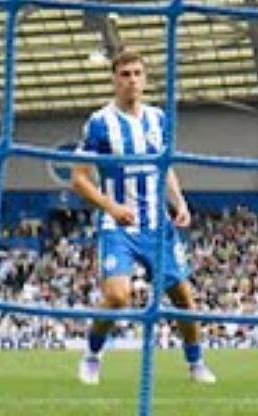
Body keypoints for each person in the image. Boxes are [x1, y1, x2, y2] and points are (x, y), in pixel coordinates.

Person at [69, 48, 216, 387]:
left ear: (145, 79)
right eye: (125, 75)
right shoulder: (99, 123)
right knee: (118, 296)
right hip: (118, 227)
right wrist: (111, 207)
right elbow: (78, 179)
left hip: (157, 226)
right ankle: (92, 355)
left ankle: (196, 364)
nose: (132, 81)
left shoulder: (158, 119)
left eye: (137, 74)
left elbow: (165, 168)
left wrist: (179, 203)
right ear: (114, 80)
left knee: (183, 297)